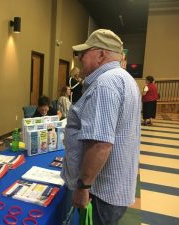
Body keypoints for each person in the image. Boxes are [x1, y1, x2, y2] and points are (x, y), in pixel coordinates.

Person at [61, 29, 141, 225]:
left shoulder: (106, 84)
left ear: (101, 54)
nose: (80, 57)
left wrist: (83, 187)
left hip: (101, 191)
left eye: (84, 52)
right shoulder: (124, 79)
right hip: (114, 186)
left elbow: (100, 144)